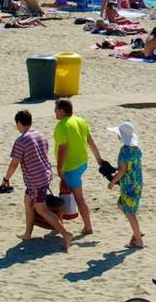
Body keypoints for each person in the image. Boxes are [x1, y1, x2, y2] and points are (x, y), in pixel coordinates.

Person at [1, 110, 71, 249]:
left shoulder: (21, 141)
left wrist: (6, 179)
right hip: (45, 175)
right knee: (27, 201)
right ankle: (27, 234)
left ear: (19, 123)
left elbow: (14, 164)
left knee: (41, 209)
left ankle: (66, 233)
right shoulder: (39, 135)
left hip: (35, 180)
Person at [53, 99, 109, 236]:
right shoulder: (80, 121)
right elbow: (90, 142)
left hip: (70, 167)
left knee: (78, 198)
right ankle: (60, 223)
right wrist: (99, 160)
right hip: (82, 163)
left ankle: (88, 227)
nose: (54, 112)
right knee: (68, 192)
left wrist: (59, 169)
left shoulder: (62, 126)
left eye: (56, 109)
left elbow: (63, 149)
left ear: (61, 110)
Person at [107, 122, 145, 249]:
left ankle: (138, 239)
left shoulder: (124, 151)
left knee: (130, 213)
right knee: (120, 205)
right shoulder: (136, 149)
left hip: (129, 185)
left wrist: (112, 182)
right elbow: (131, 167)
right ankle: (137, 231)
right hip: (137, 183)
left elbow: (123, 170)